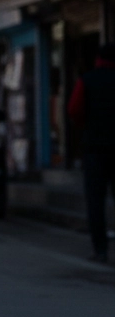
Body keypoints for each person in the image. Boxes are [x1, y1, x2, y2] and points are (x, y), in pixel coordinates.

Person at [67, 43, 115, 263]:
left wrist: (89, 126)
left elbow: (74, 110)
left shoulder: (87, 80)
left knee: (95, 201)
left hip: (94, 148)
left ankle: (101, 250)